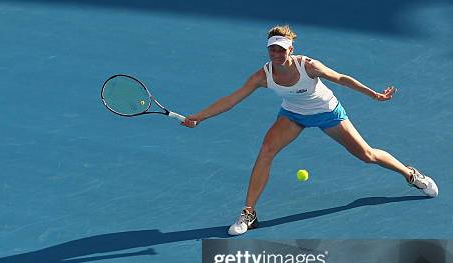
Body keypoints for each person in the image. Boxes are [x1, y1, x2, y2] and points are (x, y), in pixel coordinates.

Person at [181, 25, 438, 236]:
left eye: (281, 49)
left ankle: (410, 174)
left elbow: (341, 78)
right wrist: (199, 117)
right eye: (272, 49)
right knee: (266, 150)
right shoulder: (263, 75)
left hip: (327, 113)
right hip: (293, 115)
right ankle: (249, 212)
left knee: (367, 155)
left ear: (290, 49)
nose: (276, 53)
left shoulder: (309, 66)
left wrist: (373, 95)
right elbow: (232, 99)